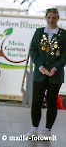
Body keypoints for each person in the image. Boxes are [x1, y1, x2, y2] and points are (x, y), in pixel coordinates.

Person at [25, 8, 66, 139]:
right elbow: (33, 50)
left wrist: (55, 67)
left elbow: (64, 54)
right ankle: (34, 128)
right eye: (49, 17)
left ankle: (47, 130)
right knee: (36, 101)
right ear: (46, 18)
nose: (51, 20)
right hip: (40, 73)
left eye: (54, 18)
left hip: (55, 74)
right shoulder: (38, 32)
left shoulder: (63, 34)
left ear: (58, 18)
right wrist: (40, 66)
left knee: (51, 101)